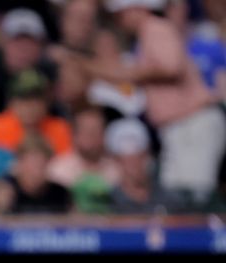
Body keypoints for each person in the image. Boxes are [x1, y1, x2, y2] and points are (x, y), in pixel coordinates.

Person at [81, 0, 226, 204]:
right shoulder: (145, 35)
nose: (120, 20)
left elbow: (171, 67)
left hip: (193, 123)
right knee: (177, 196)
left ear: (138, 8)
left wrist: (132, 74)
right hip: (181, 126)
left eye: (122, 13)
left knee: (193, 196)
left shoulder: (155, 28)